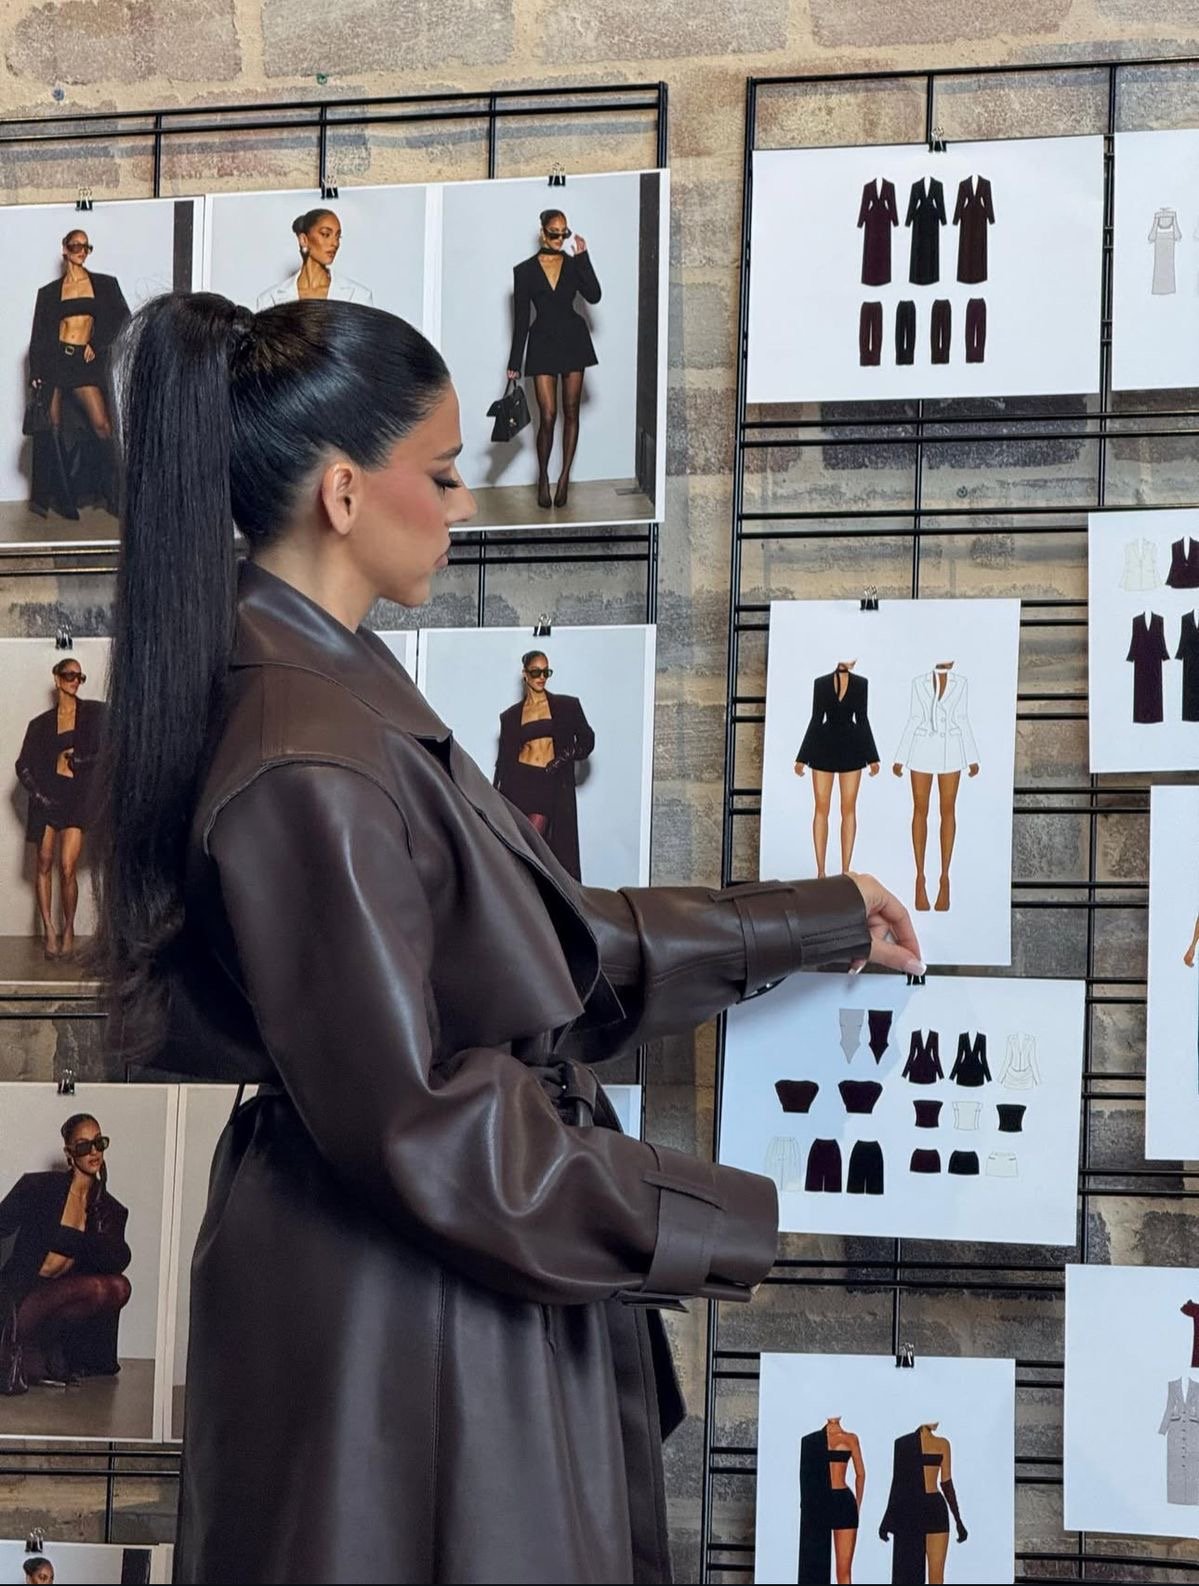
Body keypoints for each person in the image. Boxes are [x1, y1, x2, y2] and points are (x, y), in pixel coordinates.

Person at [95, 291, 922, 1586]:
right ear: (343, 493)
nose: (462, 504)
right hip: (403, 1311)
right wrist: (711, 1211)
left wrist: (809, 919)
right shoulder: (306, 752)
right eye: (440, 473)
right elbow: (415, 1117)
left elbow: (547, 951)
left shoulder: (342, 690)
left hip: (435, 1282)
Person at [0, 1113, 131, 1394]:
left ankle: (43, 1348)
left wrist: (97, 1218)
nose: (93, 1151)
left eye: (99, 1142)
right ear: (69, 1153)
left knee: (119, 1287)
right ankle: (26, 1347)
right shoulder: (39, 1188)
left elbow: (117, 1261)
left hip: (58, 1305)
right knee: (97, 1286)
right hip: (21, 1297)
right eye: (83, 1146)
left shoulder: (109, 1208)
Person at [28, 229, 129, 520]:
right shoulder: (48, 293)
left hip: (84, 365)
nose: (81, 252)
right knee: (52, 428)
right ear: (64, 249)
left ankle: (115, 494)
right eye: (76, 246)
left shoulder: (104, 285)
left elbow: (124, 318)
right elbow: (38, 335)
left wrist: (96, 344)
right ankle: (63, 498)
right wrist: (37, 370)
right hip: (55, 362)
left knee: (102, 426)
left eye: (86, 247)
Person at [506, 209, 600, 510]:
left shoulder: (574, 265)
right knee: (548, 416)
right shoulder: (524, 271)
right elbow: (521, 321)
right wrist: (514, 363)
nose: (559, 238)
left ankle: (564, 478)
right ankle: (543, 477)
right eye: (554, 232)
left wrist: (584, 258)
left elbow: (595, 296)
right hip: (542, 344)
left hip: (574, 341)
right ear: (542, 232)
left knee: (571, 412)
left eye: (564, 233)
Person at [15, 657, 108, 961]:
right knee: (43, 862)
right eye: (69, 675)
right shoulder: (40, 724)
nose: (75, 681)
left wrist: (84, 762)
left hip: (76, 796)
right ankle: (49, 929)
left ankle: (68, 927)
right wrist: (40, 796)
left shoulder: (94, 714)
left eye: (80, 677)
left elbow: (111, 749)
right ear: (56, 679)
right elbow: (23, 765)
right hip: (46, 797)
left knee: (68, 867)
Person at [494, 649, 594, 881]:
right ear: (525, 675)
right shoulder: (510, 716)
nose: (541, 677)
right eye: (536, 672)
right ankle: (519, 896)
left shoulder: (566, 706)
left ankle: (522, 891)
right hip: (519, 782)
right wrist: (495, 797)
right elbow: (504, 761)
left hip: (549, 779)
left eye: (546, 672)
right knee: (516, 841)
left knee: (532, 840)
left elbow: (588, 739)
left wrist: (566, 756)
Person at [255, 208, 374, 309]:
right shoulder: (269, 300)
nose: (335, 243)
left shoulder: (358, 297)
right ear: (304, 240)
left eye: (338, 236)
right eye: (326, 234)